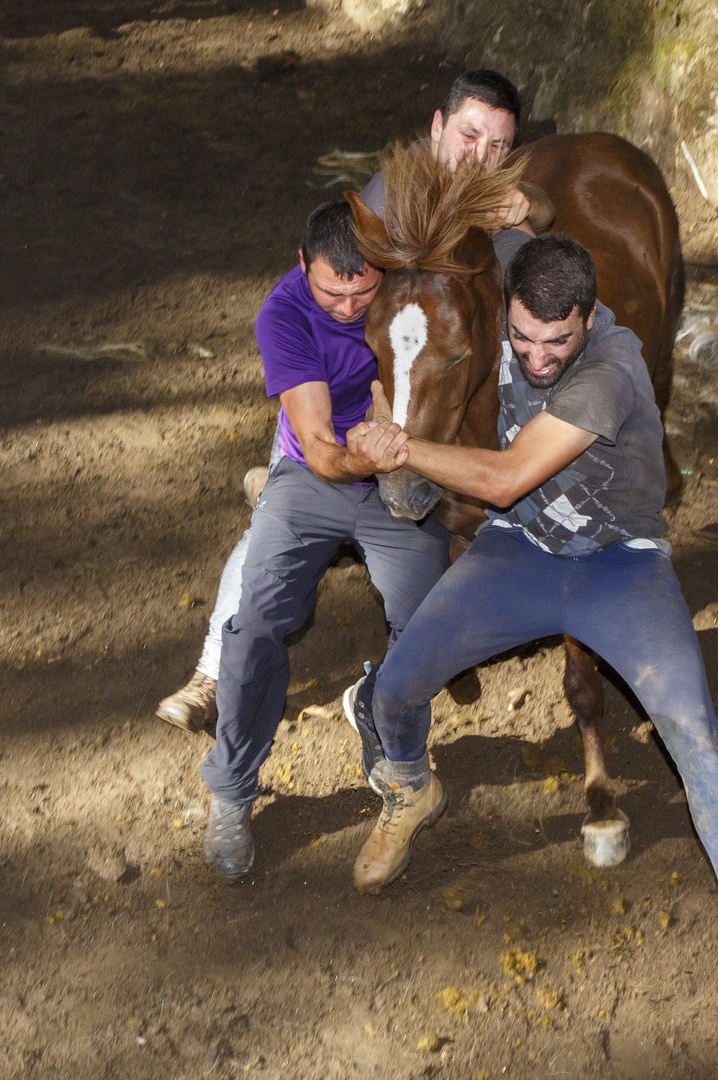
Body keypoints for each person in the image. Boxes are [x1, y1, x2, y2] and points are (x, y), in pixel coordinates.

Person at [346, 233, 718, 1003]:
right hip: (521, 554)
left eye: (556, 342)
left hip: (619, 568)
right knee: (396, 685)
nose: (536, 358)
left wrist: (402, 447)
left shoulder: (609, 371)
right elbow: (486, 234)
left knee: (693, 731)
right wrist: (504, 200)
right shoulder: (521, 293)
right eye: (523, 338)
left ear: (590, 316)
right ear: (510, 307)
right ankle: (410, 789)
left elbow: (503, 479)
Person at [156, 68, 550, 732]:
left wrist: (531, 209)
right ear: (436, 128)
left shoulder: (487, 203)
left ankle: (449, 632)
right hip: (359, 381)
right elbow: (340, 306)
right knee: (288, 511)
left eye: (497, 147)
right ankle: (212, 672)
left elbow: (535, 238)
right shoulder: (389, 203)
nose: (479, 157)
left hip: (431, 386)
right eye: (469, 135)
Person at [197, 200, 455, 880]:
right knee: (253, 625)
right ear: (300, 263)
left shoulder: (407, 289)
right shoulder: (282, 315)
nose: (346, 308)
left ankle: (379, 711)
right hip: (318, 472)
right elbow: (316, 445)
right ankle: (231, 790)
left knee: (426, 622)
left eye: (361, 290)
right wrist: (368, 455)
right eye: (330, 292)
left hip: (396, 470)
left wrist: (405, 436)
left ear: (386, 272)